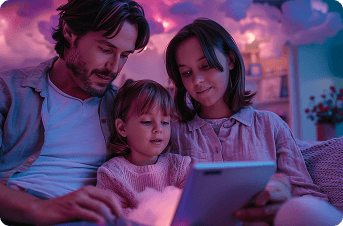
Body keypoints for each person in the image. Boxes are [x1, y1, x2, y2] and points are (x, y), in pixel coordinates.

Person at [165, 18, 341, 225]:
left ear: (230, 60)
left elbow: (310, 198)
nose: (197, 81)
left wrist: (283, 203)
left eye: (205, 65)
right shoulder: (171, 134)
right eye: (186, 73)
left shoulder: (270, 125)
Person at [0, 0, 149, 225]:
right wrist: (40, 208)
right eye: (106, 49)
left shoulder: (123, 106)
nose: (114, 67)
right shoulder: (8, 92)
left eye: (124, 55)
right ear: (69, 32)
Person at [96, 79, 192, 216]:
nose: (158, 129)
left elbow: (192, 209)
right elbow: (112, 217)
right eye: (147, 122)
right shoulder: (112, 174)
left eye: (165, 122)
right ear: (122, 128)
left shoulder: (180, 167)